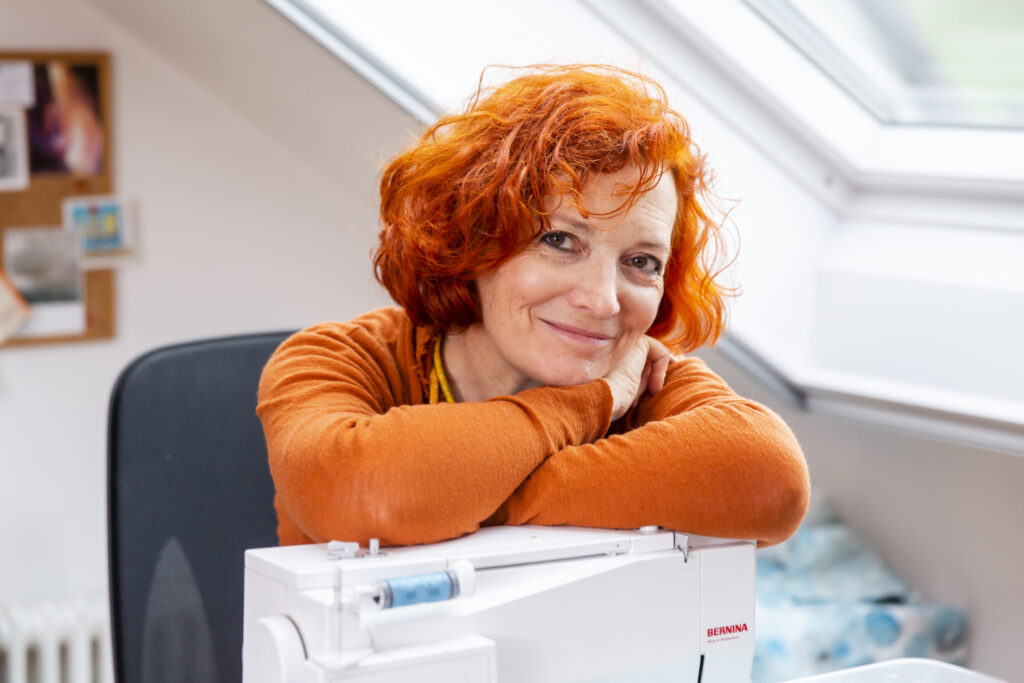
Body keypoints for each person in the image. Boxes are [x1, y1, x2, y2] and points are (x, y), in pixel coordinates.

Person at [257, 64, 809, 549]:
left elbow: (772, 482)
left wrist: (454, 499)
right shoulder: (334, 358)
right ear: (472, 240)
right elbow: (362, 492)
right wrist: (592, 403)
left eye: (641, 262)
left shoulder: (642, 372)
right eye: (560, 241)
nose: (602, 301)